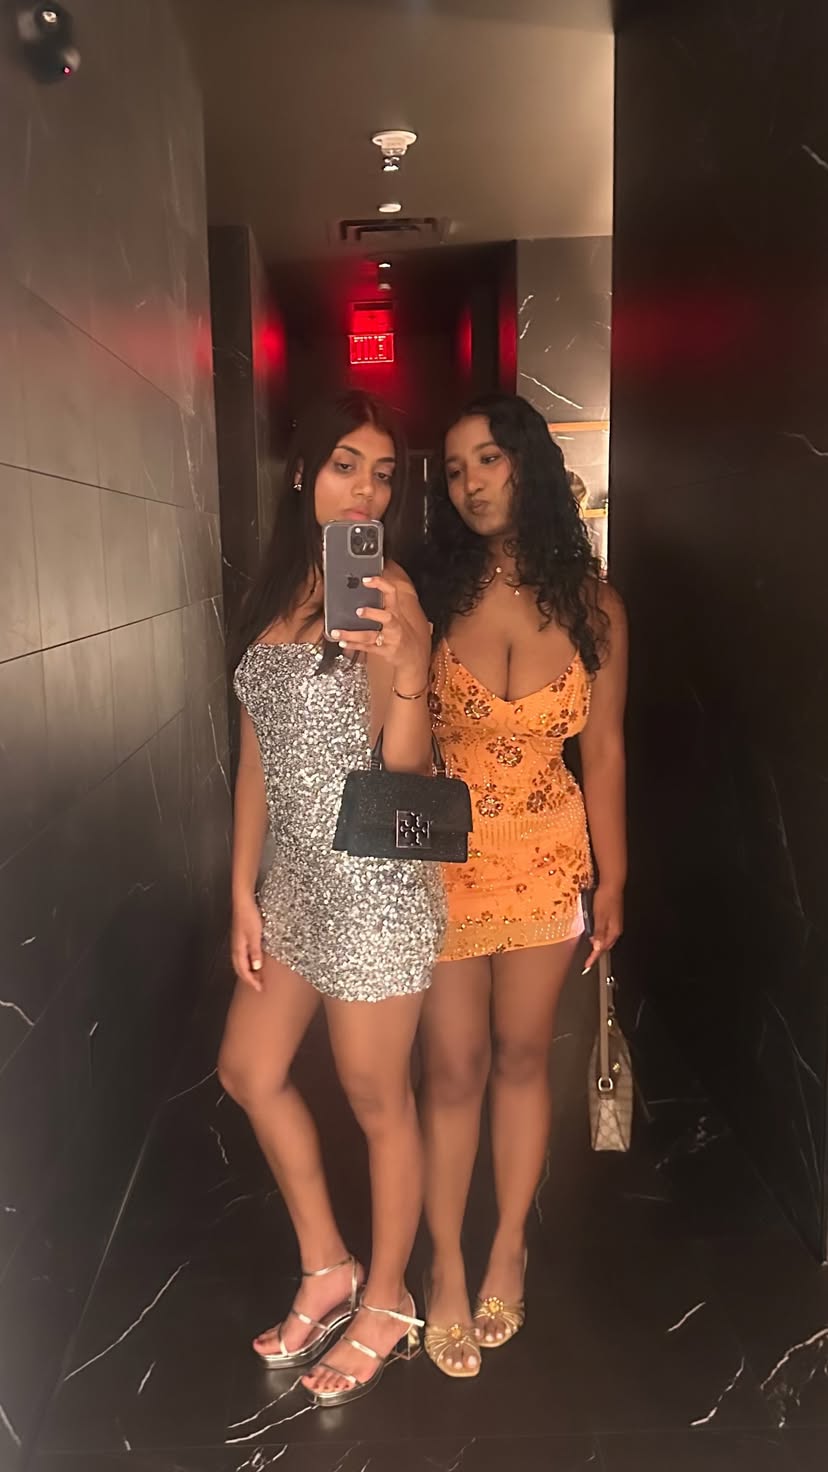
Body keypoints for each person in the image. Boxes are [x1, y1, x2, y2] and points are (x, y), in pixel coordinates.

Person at [218, 391, 446, 1407]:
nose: (366, 490)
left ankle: (388, 1300)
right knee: (247, 1068)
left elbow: (406, 770)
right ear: (303, 471)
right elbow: (258, 758)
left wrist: (410, 666)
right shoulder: (275, 589)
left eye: (384, 473)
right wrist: (242, 888)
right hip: (295, 885)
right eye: (347, 464)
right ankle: (328, 1264)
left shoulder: (387, 593)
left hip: (373, 887)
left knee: (375, 1096)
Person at [413, 393, 627, 1378]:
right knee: (453, 1065)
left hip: (547, 858)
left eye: (488, 459)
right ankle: (445, 1262)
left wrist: (614, 876)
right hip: (445, 862)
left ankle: (507, 1248)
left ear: (528, 463)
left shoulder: (594, 604)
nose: (471, 483)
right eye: (456, 468)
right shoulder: (432, 593)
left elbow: (605, 749)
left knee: (522, 1055)